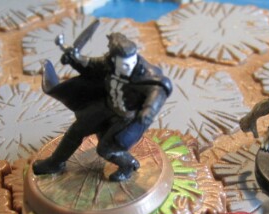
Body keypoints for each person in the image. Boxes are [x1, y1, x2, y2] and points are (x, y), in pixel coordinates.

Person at [33, 32, 172, 182]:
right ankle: (55, 163)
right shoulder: (109, 63)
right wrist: (74, 59)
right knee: (76, 130)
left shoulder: (148, 75)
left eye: (133, 62)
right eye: (125, 64)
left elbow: (157, 90)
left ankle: (128, 164)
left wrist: (148, 110)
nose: (130, 66)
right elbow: (90, 65)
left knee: (106, 149)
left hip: (128, 118)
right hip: (108, 107)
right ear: (114, 60)